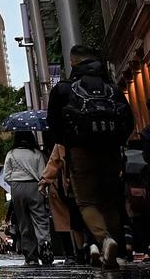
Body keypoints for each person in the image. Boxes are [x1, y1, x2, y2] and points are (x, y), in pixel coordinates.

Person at [47, 44, 134, 269]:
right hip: (111, 152)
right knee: (110, 202)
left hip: (80, 153)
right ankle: (115, 249)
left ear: (73, 62)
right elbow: (129, 121)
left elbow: (53, 127)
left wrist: (68, 144)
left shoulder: (64, 90)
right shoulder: (112, 88)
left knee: (86, 201)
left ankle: (105, 240)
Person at [3, 130, 53, 266]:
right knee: (40, 219)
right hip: (35, 186)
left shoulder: (11, 154)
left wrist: (15, 183)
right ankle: (45, 244)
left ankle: (30, 257)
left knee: (24, 223)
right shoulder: (37, 154)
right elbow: (43, 174)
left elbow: (6, 176)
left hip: (17, 189)